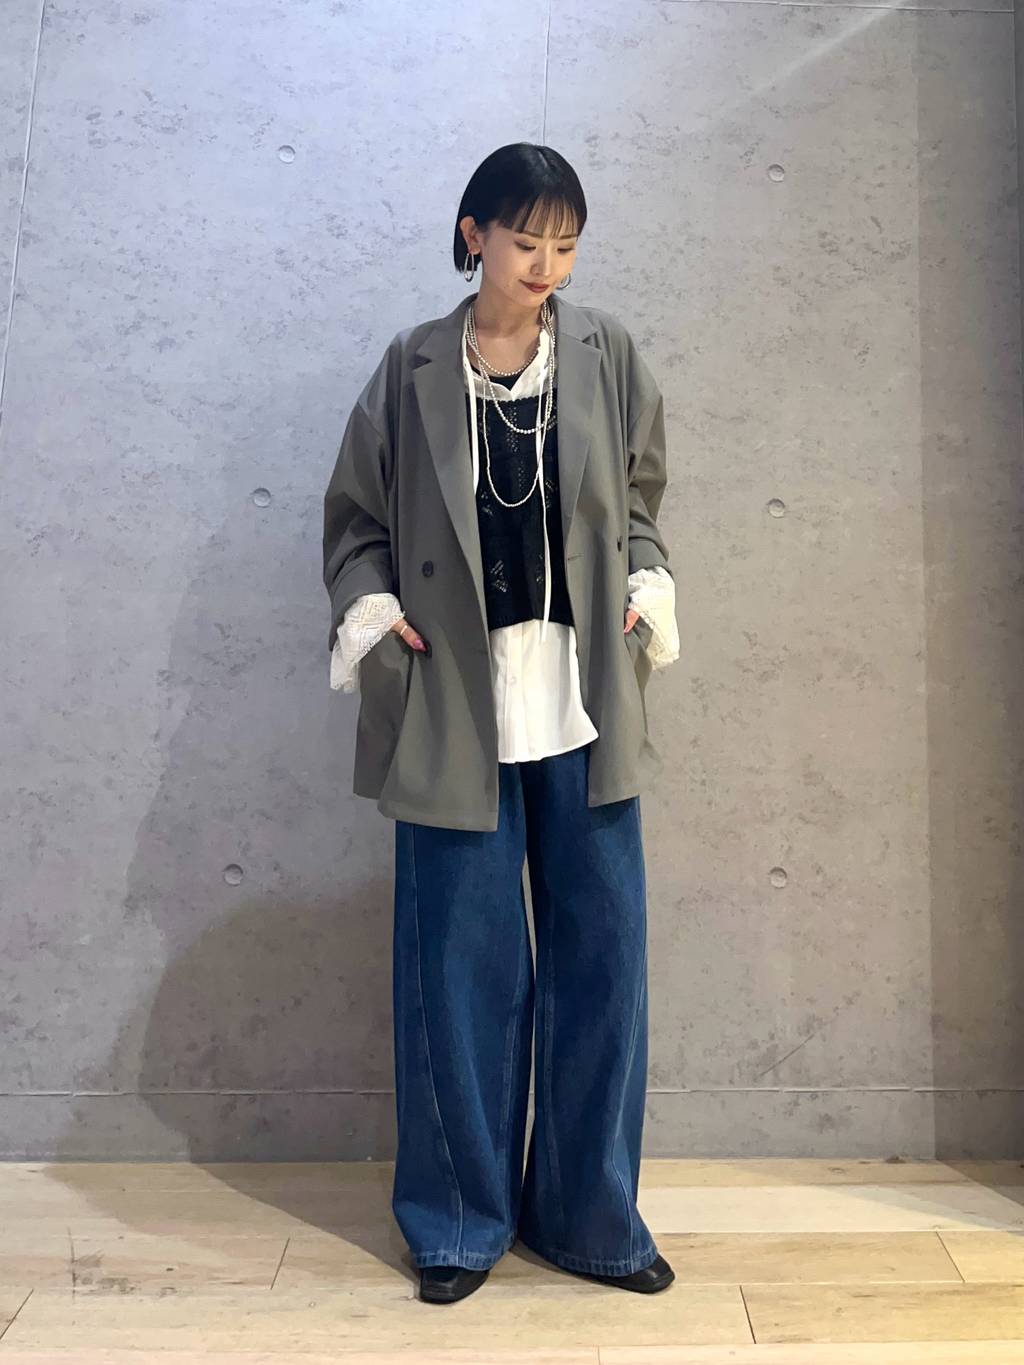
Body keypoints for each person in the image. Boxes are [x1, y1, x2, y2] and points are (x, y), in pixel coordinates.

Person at [322, 143, 680, 1305]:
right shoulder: (413, 364)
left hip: (580, 697)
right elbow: (355, 521)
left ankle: (589, 1217)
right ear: (474, 234)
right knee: (459, 973)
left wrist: (646, 582)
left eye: (566, 244)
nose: (547, 265)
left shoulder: (606, 354)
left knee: (603, 965)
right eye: (527, 241)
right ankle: (457, 1224)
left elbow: (639, 499)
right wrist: (374, 616)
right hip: (456, 704)